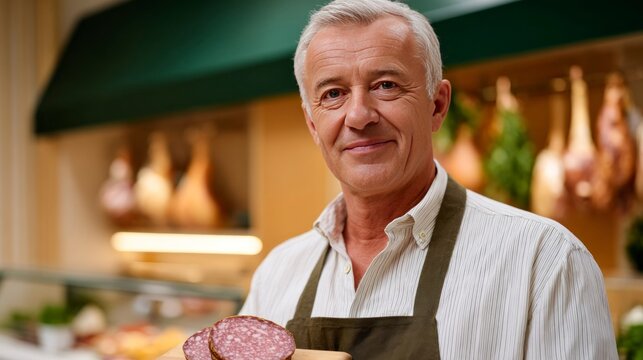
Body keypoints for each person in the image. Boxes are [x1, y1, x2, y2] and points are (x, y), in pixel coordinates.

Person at [240, 0, 618, 358]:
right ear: (312, 124)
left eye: (385, 85)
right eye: (333, 93)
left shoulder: (545, 261)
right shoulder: (277, 274)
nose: (358, 116)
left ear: (436, 105)